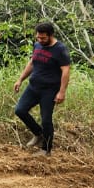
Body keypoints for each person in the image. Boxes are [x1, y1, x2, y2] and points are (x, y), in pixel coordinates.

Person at [12, 22, 72, 155]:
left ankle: (46, 150)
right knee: (20, 110)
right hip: (33, 87)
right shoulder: (37, 45)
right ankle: (38, 134)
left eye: (43, 38)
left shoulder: (60, 49)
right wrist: (20, 79)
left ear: (51, 35)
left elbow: (66, 71)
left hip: (49, 90)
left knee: (46, 120)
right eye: (38, 37)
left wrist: (62, 92)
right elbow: (32, 62)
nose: (40, 40)